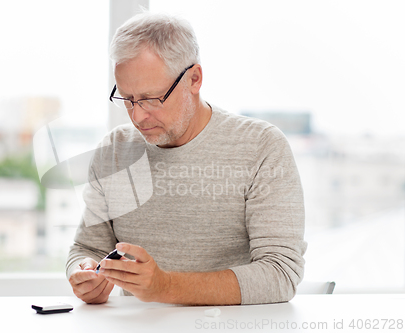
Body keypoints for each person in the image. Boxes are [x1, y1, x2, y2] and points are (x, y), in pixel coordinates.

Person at [66, 11, 307, 306]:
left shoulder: (261, 147)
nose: (138, 116)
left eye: (151, 98)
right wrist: (84, 273)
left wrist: (165, 286)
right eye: (127, 99)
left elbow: (280, 275)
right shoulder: (116, 149)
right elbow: (86, 247)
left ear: (194, 79)